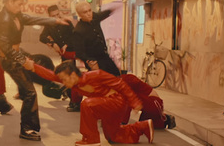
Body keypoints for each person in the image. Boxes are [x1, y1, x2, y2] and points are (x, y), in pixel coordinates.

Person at [0, 0, 69, 141]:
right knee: (30, 93)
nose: (21, 8)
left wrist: (54, 21)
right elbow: (6, 48)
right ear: (10, 2)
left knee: (40, 65)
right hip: (10, 59)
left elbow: (32, 19)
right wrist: (23, 61)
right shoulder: (3, 20)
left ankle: (49, 86)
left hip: (17, 54)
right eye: (19, 4)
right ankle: (27, 129)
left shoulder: (16, 14)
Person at [24, 60, 154, 146]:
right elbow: (51, 75)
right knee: (114, 135)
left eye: (64, 79)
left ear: (73, 75)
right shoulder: (74, 83)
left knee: (87, 104)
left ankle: (91, 139)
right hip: (106, 105)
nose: (63, 82)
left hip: (117, 101)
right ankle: (142, 127)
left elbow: (121, 84)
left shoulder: (96, 75)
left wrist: (135, 102)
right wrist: (33, 67)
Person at [68, 1, 122, 112]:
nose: (89, 14)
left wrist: (115, 7)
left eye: (89, 10)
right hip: (94, 61)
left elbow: (103, 14)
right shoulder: (78, 31)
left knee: (117, 77)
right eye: (85, 12)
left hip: (104, 56)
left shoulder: (94, 18)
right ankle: (102, 110)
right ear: (79, 15)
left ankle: (114, 106)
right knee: (101, 87)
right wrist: (90, 61)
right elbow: (79, 53)